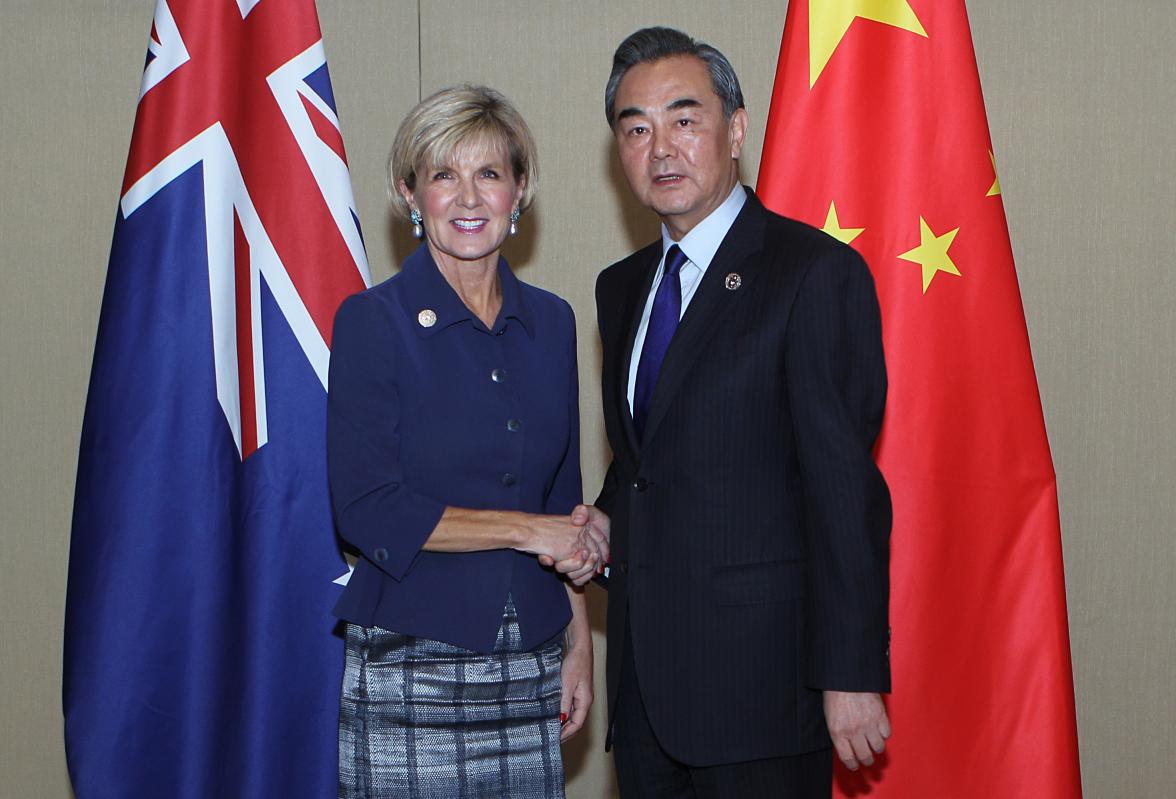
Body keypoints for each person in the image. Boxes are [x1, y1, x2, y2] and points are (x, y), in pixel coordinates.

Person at [568, 27, 893, 797]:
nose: (662, 148)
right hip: (647, 692)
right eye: (636, 128)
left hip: (763, 694)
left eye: (685, 119)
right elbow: (650, 459)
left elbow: (845, 488)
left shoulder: (813, 274)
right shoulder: (622, 287)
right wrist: (605, 523)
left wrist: (849, 672)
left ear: (736, 128)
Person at [327, 84, 606, 799]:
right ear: (409, 195)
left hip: (533, 666)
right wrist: (523, 531)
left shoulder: (552, 321)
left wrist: (580, 646)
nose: (468, 196)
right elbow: (366, 508)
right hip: (411, 665)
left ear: (521, 191)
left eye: (489, 173)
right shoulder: (372, 322)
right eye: (443, 174)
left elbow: (562, 502)